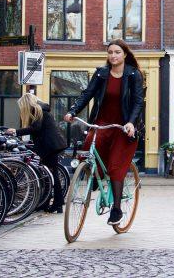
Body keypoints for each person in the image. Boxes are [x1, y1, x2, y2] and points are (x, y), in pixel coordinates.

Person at [64, 39, 144, 226]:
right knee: (87, 149)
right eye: (110, 52)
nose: (113, 55)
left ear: (124, 54)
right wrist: (73, 111)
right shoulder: (101, 73)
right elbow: (87, 94)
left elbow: (138, 101)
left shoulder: (133, 74)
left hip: (123, 127)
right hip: (102, 123)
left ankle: (116, 209)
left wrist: (131, 123)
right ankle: (93, 176)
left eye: (117, 52)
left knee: (116, 167)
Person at [8, 93, 68, 213]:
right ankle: (49, 203)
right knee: (49, 175)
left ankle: (56, 204)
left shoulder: (37, 110)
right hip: (51, 145)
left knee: (51, 176)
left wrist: (16, 132)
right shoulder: (42, 109)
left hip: (48, 147)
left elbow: (35, 128)